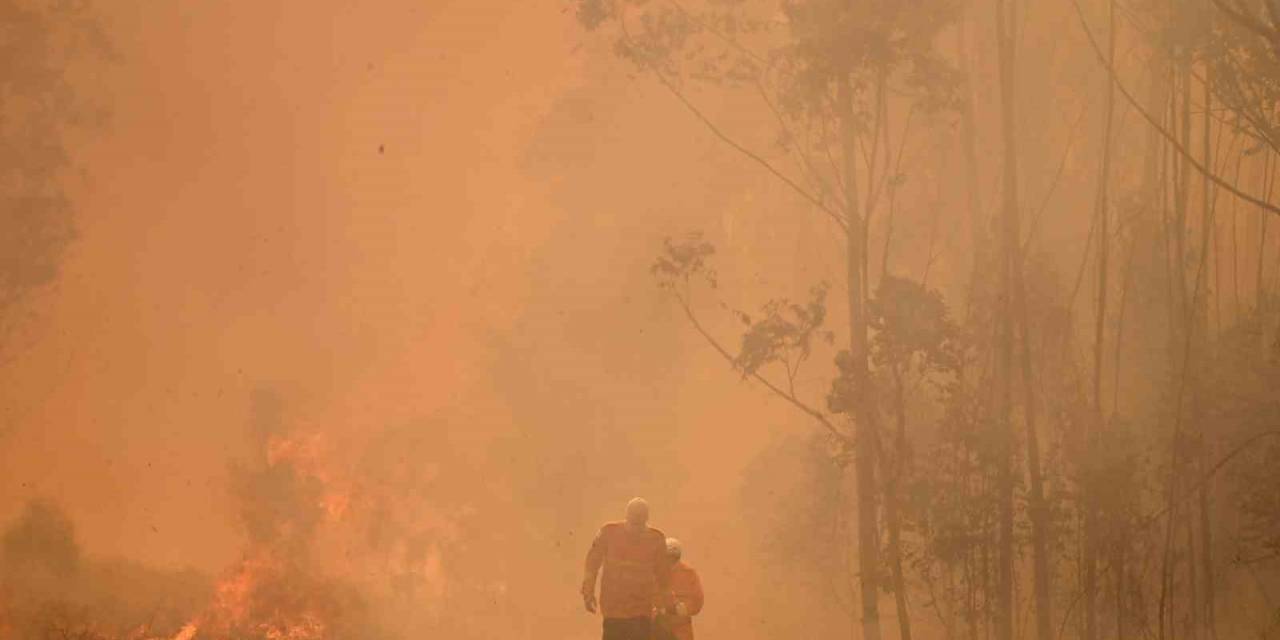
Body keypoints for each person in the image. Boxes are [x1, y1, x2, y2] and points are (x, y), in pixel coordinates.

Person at [582, 498, 673, 640]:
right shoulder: (609, 532)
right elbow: (592, 562)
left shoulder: (656, 539)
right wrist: (588, 591)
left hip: (641, 611)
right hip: (614, 610)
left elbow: (664, 576)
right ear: (627, 517)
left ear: (646, 520)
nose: (635, 529)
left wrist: (666, 604)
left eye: (639, 524)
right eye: (633, 523)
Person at [652, 537, 704, 640]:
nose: (669, 560)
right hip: (656, 628)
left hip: (680, 631)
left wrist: (676, 609)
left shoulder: (689, 574)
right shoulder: (653, 573)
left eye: (672, 557)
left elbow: (697, 601)